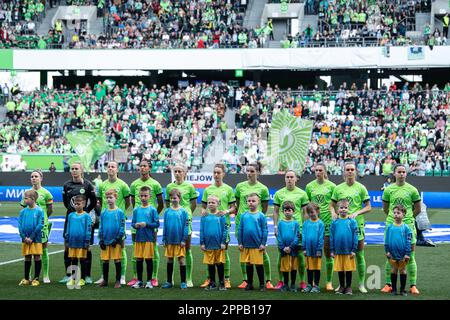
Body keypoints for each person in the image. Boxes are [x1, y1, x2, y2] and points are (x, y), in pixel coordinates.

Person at [330, 161, 371, 293]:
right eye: (347, 169)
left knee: (359, 255)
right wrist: (333, 213)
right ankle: (342, 285)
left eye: (352, 169)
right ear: (344, 172)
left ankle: (361, 284)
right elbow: (331, 205)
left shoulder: (361, 187)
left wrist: (356, 213)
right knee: (341, 255)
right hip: (341, 226)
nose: (350, 171)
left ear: (356, 172)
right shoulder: (338, 188)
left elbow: (369, 206)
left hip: (356, 225)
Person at [381, 164, 421, 295]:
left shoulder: (413, 190)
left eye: (404, 172)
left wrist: (407, 219)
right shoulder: (388, 190)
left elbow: (418, 209)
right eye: (399, 172)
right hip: (391, 226)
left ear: (406, 174)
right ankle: (388, 284)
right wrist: (394, 219)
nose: (402, 174)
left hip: (408, 225)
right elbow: (386, 209)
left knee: (410, 256)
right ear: (394, 173)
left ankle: (412, 285)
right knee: (390, 256)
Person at [235, 162, 273, 289]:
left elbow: (265, 207)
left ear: (258, 173)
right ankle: (246, 280)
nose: (249, 173)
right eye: (248, 171)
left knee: (262, 252)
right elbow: (238, 204)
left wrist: (256, 219)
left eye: (252, 171)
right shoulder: (240, 186)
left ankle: (267, 280)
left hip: (255, 225)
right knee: (244, 252)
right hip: (242, 222)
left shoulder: (263, 188)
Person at [199, 163, 236, 289]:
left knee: (223, 253)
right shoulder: (208, 189)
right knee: (209, 254)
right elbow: (203, 207)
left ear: (223, 174)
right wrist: (203, 211)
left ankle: (226, 279)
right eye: (214, 172)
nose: (216, 175)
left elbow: (233, 207)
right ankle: (210, 279)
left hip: (223, 225)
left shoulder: (229, 189)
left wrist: (226, 211)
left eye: (219, 172)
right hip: (210, 226)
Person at [128, 160, 164, 287]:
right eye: (141, 166)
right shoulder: (134, 184)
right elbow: (132, 201)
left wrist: (151, 219)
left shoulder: (156, 184)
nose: (142, 168)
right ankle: (136, 278)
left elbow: (161, 203)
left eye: (145, 166)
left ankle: (153, 278)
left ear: (149, 168)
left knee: (152, 252)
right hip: (138, 223)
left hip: (149, 225)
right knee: (137, 252)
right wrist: (138, 219)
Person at [60, 162, 97, 284]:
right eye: (72, 168)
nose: (74, 171)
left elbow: (93, 201)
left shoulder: (87, 185)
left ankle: (87, 276)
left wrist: (85, 211)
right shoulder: (66, 185)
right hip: (71, 218)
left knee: (87, 247)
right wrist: (73, 211)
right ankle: (68, 275)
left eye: (77, 169)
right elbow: (66, 203)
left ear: (81, 170)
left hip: (84, 219)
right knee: (67, 245)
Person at [273, 170, 310, 290]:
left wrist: (304, 227)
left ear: (296, 179)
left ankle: (302, 282)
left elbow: (305, 212)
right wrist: (275, 226)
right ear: (285, 179)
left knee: (299, 256)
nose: (289, 179)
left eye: (291, 177)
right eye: (287, 177)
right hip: (283, 229)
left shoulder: (302, 193)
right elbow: (275, 211)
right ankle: (281, 281)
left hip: (297, 229)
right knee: (282, 255)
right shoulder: (279, 193)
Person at [96, 161, 131, 285]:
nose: (110, 168)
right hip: (105, 220)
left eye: (113, 167)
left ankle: (121, 276)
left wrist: (119, 213)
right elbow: (99, 201)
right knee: (103, 248)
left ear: (117, 170)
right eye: (109, 166)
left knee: (121, 248)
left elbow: (128, 202)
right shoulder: (102, 185)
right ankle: (103, 276)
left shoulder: (123, 185)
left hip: (117, 220)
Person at [165, 165, 197, 287]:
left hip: (185, 222)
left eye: (180, 171)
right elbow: (167, 204)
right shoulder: (169, 187)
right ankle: (170, 280)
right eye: (175, 171)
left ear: (184, 173)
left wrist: (187, 214)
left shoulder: (189, 186)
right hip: (173, 223)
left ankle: (188, 279)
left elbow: (193, 204)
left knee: (187, 250)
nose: (177, 173)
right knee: (171, 252)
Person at [305, 163, 336, 291]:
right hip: (313, 224)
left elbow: (334, 204)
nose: (318, 172)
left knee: (328, 254)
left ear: (325, 171)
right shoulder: (309, 186)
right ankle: (311, 283)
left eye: (320, 170)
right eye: (316, 170)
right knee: (311, 255)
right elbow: (307, 205)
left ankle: (328, 282)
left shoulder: (332, 186)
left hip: (328, 223)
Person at [20, 170, 53, 283]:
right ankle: (27, 276)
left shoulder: (46, 193)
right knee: (28, 250)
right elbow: (23, 209)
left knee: (43, 248)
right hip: (29, 227)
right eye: (32, 176)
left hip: (41, 226)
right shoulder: (27, 193)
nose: (34, 178)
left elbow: (50, 209)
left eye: (36, 176)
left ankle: (45, 275)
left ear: (41, 178)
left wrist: (43, 220)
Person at [130, 186, 160, 289]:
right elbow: (132, 223)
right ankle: (139, 281)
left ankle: (148, 281)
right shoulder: (136, 210)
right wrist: (136, 225)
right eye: (141, 196)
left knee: (148, 260)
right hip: (139, 238)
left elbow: (157, 224)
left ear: (150, 196)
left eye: (145, 196)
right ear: (138, 196)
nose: (143, 198)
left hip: (148, 238)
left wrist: (146, 224)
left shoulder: (152, 209)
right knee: (139, 259)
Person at [238, 193, 268, 291]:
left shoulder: (261, 216)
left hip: (257, 245)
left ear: (258, 202)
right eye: (249, 201)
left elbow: (265, 230)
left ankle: (262, 284)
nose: (251, 203)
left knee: (259, 265)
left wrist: (263, 243)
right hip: (246, 245)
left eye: (253, 201)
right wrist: (240, 243)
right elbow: (240, 229)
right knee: (248, 264)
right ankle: (250, 284)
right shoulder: (243, 216)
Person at [161, 189, 189, 289]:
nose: (173, 200)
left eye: (175, 198)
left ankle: (183, 282)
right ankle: (169, 281)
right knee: (169, 260)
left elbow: (186, 227)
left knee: (181, 260)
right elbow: (165, 226)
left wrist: (183, 239)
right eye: (172, 198)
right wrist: (164, 238)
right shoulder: (167, 211)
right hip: (169, 240)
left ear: (179, 198)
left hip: (179, 241)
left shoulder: (183, 212)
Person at [98, 189, 126, 288]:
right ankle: (105, 280)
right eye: (107, 198)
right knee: (105, 260)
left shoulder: (120, 212)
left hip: (115, 241)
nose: (109, 200)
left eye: (111, 197)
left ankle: (118, 281)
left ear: (116, 198)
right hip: (105, 240)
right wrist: (101, 239)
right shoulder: (104, 212)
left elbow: (122, 226)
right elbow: (101, 226)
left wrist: (118, 239)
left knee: (117, 260)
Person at [330, 199, 358, 295]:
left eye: (345, 208)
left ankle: (348, 287)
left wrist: (354, 249)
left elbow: (355, 236)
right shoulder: (335, 222)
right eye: (341, 208)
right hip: (338, 251)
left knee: (348, 269)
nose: (343, 210)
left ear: (348, 209)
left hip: (349, 251)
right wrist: (332, 250)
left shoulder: (352, 222)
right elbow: (332, 236)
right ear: (337, 209)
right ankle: (342, 286)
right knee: (340, 270)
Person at [200, 195, 228, 291]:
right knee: (210, 264)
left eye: (213, 202)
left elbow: (225, 230)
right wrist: (202, 243)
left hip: (219, 245)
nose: (211, 204)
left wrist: (223, 242)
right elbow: (201, 230)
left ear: (218, 204)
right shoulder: (204, 216)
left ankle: (222, 283)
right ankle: (212, 283)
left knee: (219, 263)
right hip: (208, 245)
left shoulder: (221, 216)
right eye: (209, 203)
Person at [384, 204, 412, 296]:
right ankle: (394, 289)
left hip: (403, 254)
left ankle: (403, 290)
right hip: (392, 253)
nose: (396, 214)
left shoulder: (406, 228)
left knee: (403, 270)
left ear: (403, 214)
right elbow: (387, 241)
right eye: (394, 213)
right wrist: (387, 251)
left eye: (398, 213)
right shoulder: (390, 227)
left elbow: (408, 241)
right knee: (394, 269)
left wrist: (407, 253)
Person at [18, 190, 44, 286]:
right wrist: (24, 237)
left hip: (35, 239)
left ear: (33, 199)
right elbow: (19, 225)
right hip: (25, 239)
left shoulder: (39, 211)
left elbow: (40, 225)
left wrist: (32, 237)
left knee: (37, 256)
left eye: (26, 198)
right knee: (27, 257)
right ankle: (26, 278)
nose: (24, 200)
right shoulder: (22, 212)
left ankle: (36, 279)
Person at [64, 195, 91, 287]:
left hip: (82, 242)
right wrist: (67, 238)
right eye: (75, 204)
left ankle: (82, 279)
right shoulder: (71, 215)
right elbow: (68, 227)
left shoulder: (86, 216)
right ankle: (74, 278)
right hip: (72, 242)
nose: (77, 206)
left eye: (79, 204)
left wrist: (87, 240)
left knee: (82, 260)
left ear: (83, 204)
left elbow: (88, 229)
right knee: (73, 260)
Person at [276, 201, 300, 292]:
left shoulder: (296, 223)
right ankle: (285, 284)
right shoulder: (280, 223)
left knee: (293, 268)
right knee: (285, 268)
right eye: (285, 210)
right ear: (283, 212)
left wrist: (291, 247)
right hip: (284, 250)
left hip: (293, 250)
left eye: (289, 210)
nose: (287, 212)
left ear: (293, 211)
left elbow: (297, 237)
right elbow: (279, 236)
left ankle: (293, 284)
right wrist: (283, 247)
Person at [302, 203, 325, 293]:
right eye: (309, 212)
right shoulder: (306, 223)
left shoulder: (320, 224)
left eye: (313, 212)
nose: (311, 214)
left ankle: (316, 285)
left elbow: (321, 237)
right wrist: (304, 248)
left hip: (316, 251)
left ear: (318, 211)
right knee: (309, 268)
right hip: (308, 250)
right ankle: (309, 285)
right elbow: (303, 235)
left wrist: (319, 249)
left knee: (316, 268)